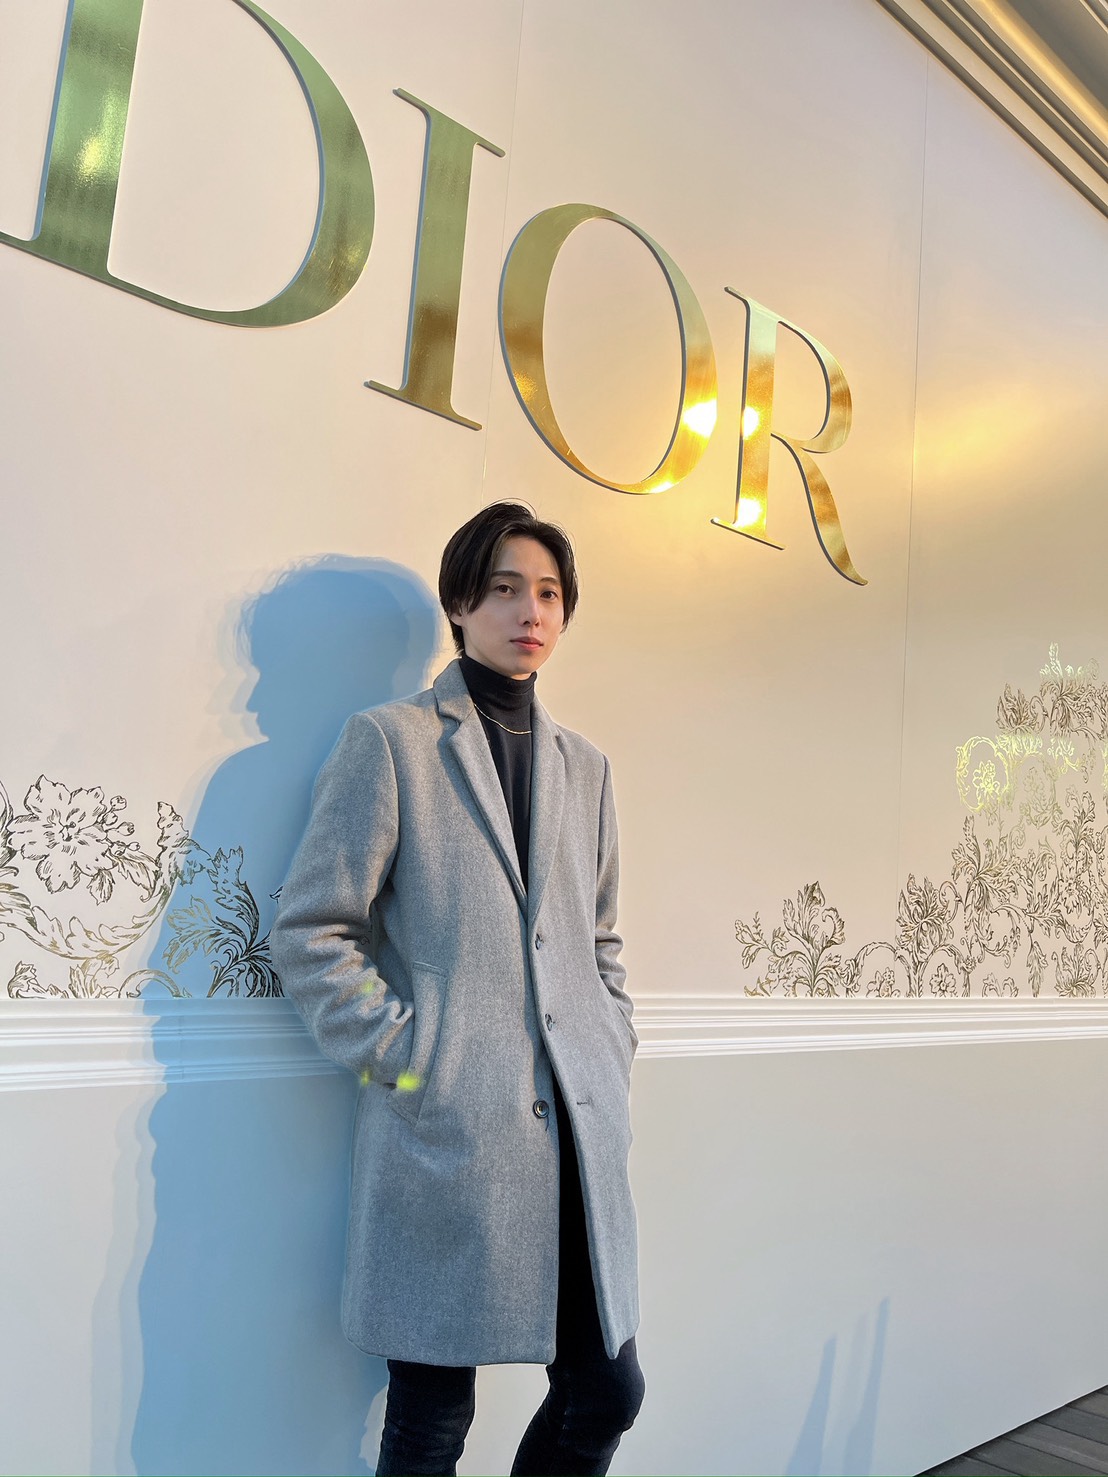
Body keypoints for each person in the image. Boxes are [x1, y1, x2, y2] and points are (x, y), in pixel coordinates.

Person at [270, 501, 644, 1476]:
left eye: (549, 593)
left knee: (606, 1389)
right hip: (447, 1135)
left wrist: (610, 1046)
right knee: (434, 1415)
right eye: (506, 588)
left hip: (574, 1138)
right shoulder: (391, 742)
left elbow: (599, 940)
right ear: (460, 604)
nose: (531, 611)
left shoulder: (588, 769)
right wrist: (408, 1062)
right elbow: (312, 928)